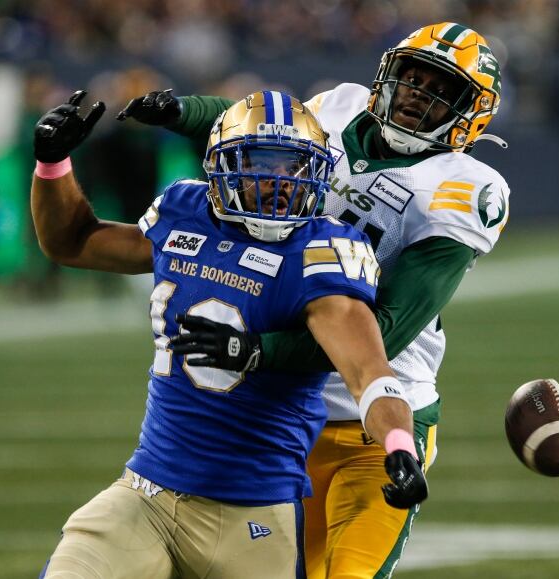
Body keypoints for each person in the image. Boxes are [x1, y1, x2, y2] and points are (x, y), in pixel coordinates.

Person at [119, 22, 510, 579]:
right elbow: (253, 127)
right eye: (412, 78)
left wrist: (260, 349)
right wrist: (179, 112)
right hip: (285, 416)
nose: (418, 94)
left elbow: (387, 331)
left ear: (472, 113)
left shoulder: (464, 188)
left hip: (379, 411)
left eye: (440, 89)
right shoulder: (341, 107)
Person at [32, 89, 427, 578]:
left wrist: (399, 446)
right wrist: (53, 164)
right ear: (222, 163)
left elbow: (368, 371)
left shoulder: (323, 252)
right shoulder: (183, 211)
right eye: (263, 161)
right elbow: (72, 241)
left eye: (295, 165)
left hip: (254, 518)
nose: (280, 180)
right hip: (145, 495)